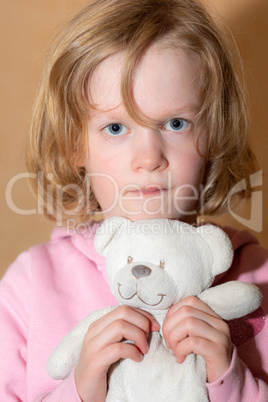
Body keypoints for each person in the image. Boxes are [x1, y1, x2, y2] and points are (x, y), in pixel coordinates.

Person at [0, 0, 267, 400]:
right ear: (75, 145)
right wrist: (82, 390)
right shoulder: (31, 285)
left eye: (175, 123)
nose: (148, 158)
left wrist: (229, 377)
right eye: (115, 127)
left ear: (214, 135)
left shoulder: (255, 278)